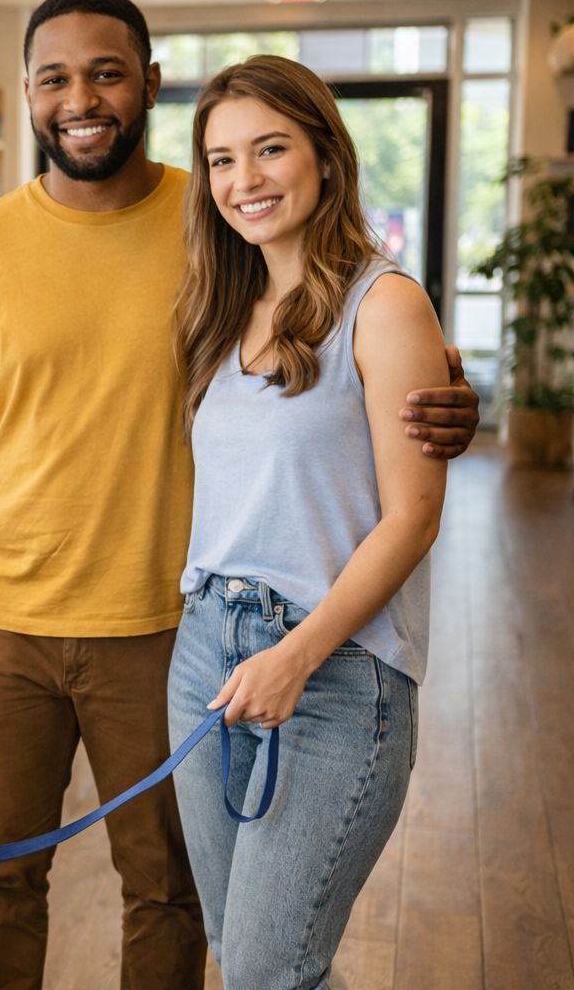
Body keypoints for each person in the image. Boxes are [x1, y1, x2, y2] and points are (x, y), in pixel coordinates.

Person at [0, 0, 480, 990]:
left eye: (108, 72)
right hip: (7, 621)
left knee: (175, 897)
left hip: (166, 624)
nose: (82, 97)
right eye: (55, 78)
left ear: (151, 87)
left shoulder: (214, 224)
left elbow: (360, 351)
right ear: (29, 95)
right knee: (4, 880)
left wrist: (446, 397)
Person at [167, 55, 443, 989]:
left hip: (336, 668)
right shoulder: (219, 307)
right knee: (242, 950)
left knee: (268, 968)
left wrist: (299, 653)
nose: (244, 181)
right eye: (220, 160)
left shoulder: (387, 303)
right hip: (207, 651)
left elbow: (412, 516)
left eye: (270, 149)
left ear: (325, 154)